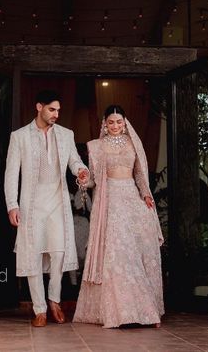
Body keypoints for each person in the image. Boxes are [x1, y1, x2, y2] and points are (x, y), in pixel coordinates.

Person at [73, 105, 164, 328]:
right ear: (105, 122)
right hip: (109, 203)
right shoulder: (95, 147)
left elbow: (140, 175)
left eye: (119, 122)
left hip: (133, 201)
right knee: (115, 255)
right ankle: (117, 313)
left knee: (136, 254)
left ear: (125, 123)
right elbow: (93, 180)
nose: (115, 126)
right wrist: (84, 180)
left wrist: (146, 195)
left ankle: (146, 311)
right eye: (111, 122)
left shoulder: (134, 143)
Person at [4, 89, 89, 327]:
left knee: (59, 253)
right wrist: (12, 204)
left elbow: (74, 161)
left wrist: (81, 171)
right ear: (39, 107)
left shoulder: (65, 134)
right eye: (52, 109)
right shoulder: (19, 136)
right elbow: (11, 174)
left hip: (57, 202)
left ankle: (54, 300)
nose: (56, 114)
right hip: (32, 204)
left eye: (59, 110)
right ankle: (39, 309)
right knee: (32, 255)